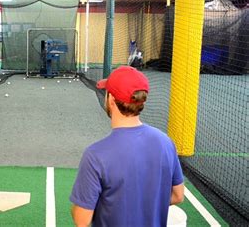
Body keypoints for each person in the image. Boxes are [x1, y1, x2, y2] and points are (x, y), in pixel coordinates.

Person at [70, 66, 184, 227]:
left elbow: (81, 220)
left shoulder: (95, 155)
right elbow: (178, 196)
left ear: (110, 100)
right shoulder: (165, 142)